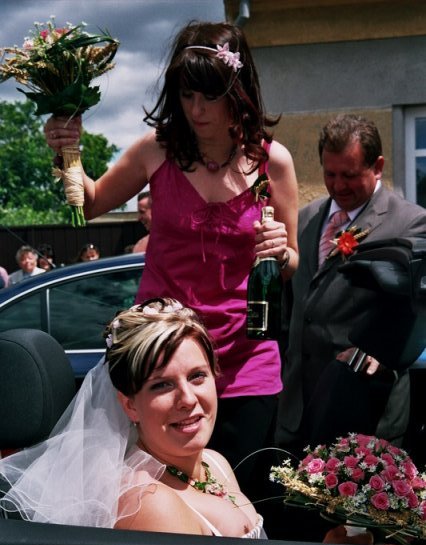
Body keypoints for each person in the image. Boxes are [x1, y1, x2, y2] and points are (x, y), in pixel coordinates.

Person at [43, 21, 299, 507]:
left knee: (242, 500)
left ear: (238, 91)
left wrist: (280, 251)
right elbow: (89, 204)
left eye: (209, 96)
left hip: (246, 363)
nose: (196, 110)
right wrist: (67, 151)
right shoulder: (155, 150)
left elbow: (291, 262)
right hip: (163, 362)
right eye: (186, 95)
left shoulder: (274, 163)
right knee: (156, 497)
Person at [0, 298, 264, 538]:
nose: (187, 399)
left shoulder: (214, 462)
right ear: (130, 405)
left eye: (197, 376)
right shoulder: (148, 500)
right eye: (162, 385)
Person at [276, 114, 426, 459]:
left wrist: (380, 349)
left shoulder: (411, 224)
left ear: (378, 167)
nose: (338, 185)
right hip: (295, 407)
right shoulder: (305, 218)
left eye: (349, 175)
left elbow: (416, 314)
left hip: (363, 405)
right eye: (330, 174)